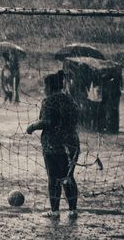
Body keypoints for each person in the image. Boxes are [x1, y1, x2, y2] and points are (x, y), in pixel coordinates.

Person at [26, 70, 80, 220]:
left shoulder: (49, 101)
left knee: (54, 178)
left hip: (54, 146)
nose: (43, 89)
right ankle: (73, 210)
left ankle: (55, 212)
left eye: (44, 86)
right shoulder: (70, 100)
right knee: (68, 177)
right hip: (72, 144)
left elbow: (47, 122)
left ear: (49, 87)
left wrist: (32, 126)